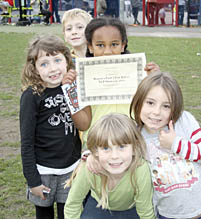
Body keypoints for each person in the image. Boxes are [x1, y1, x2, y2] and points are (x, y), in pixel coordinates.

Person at [130, 71, 201, 218]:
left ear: (175, 108)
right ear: (138, 101)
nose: (156, 112)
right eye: (150, 103)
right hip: (168, 215)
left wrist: (176, 144)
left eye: (166, 106)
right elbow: (111, 148)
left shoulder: (184, 121)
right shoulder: (134, 136)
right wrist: (89, 156)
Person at [62, 17, 160, 149]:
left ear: (123, 45)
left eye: (114, 44)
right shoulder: (83, 77)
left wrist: (155, 81)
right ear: (90, 47)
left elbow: (152, 112)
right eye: (100, 45)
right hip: (96, 145)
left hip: (131, 143)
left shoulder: (139, 74)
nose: (107, 51)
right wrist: (70, 91)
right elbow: (83, 124)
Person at [20, 34, 82, 219]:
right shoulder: (31, 96)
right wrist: (33, 180)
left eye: (57, 60)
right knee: (44, 214)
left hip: (71, 169)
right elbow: (27, 141)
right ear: (35, 68)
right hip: (43, 171)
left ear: (67, 60)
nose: (53, 68)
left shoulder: (73, 87)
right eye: (44, 63)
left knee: (68, 213)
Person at [64, 113, 156, 219]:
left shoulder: (140, 169)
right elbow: (72, 205)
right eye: (106, 148)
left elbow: (145, 212)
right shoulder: (90, 167)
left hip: (130, 209)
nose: (114, 156)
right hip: (99, 205)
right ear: (95, 151)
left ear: (134, 147)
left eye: (122, 147)